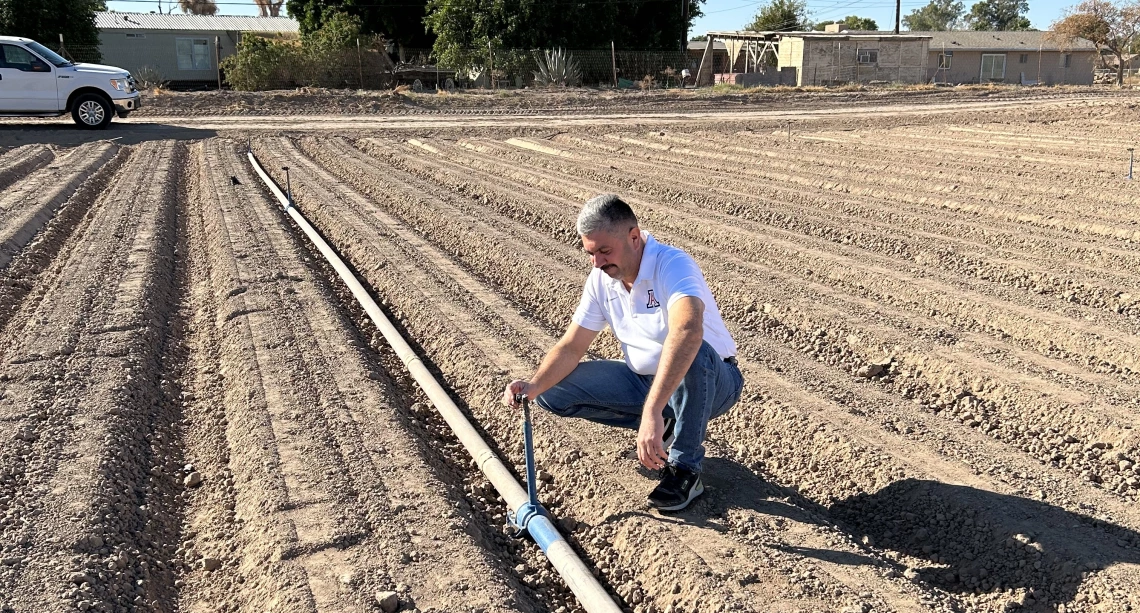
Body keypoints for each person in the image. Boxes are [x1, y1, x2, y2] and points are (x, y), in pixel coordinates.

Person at [502, 194, 743, 511]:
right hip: (645, 381)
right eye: (590, 253)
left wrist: (651, 411)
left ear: (634, 237)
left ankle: (686, 470)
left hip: (713, 382)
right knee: (552, 391)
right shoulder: (601, 280)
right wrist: (534, 385)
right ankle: (670, 422)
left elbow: (687, 331)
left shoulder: (672, 264)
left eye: (604, 251)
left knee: (691, 348)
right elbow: (572, 346)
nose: (597, 263)